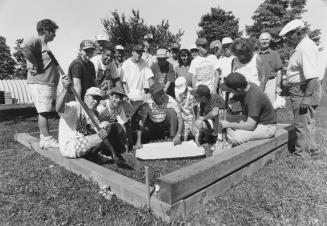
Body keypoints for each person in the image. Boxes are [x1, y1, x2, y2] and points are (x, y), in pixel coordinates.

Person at [279, 19, 322, 157]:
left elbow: (312, 76)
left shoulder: (305, 48)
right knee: (307, 121)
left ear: (298, 32)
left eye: (289, 35)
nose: (287, 39)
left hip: (303, 89)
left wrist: (306, 97)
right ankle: (312, 148)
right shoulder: (302, 46)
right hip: (302, 87)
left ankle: (301, 153)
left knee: (301, 123)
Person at [56, 76, 116, 160]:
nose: (95, 101)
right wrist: (65, 89)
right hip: (70, 146)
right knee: (101, 137)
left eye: (98, 99)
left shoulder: (93, 115)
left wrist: (104, 132)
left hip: (82, 143)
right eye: (93, 98)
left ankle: (93, 154)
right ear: (85, 97)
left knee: (106, 125)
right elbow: (59, 109)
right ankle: (95, 155)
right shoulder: (75, 106)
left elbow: (99, 130)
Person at [22, 19, 60, 148]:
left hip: (47, 83)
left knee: (45, 111)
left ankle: (44, 138)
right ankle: (48, 138)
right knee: (43, 112)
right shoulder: (37, 39)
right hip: (40, 82)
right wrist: (35, 63)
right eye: (53, 31)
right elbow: (24, 48)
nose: (55, 35)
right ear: (45, 30)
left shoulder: (43, 44)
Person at [220, 72, 277, 146]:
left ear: (238, 89)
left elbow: (250, 125)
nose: (230, 92)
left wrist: (229, 124)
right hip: (254, 121)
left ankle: (239, 152)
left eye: (231, 90)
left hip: (266, 127)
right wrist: (231, 101)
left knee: (236, 137)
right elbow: (234, 97)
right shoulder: (247, 87)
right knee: (228, 123)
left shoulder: (254, 97)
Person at [135, 84, 183, 148]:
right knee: (142, 115)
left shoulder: (170, 99)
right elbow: (141, 122)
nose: (163, 95)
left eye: (163, 92)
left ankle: (173, 136)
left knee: (172, 112)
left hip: (164, 123)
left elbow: (180, 118)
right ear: (153, 96)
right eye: (160, 94)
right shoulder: (146, 102)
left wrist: (178, 135)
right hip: (151, 124)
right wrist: (138, 141)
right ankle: (146, 136)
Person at [97, 86, 130, 152]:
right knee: (106, 124)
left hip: (107, 130)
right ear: (110, 96)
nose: (118, 100)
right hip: (96, 130)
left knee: (116, 127)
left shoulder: (119, 107)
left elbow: (122, 124)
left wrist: (125, 141)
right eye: (116, 97)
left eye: (120, 98)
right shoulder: (103, 105)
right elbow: (94, 121)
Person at [258, 32, 283, 105]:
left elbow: (279, 71)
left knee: (271, 106)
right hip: (258, 82)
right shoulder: (255, 54)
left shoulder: (275, 54)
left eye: (266, 39)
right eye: (262, 39)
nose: (264, 41)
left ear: (270, 40)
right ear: (259, 41)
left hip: (271, 83)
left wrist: (278, 86)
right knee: (258, 106)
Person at [174, 77, 195, 141]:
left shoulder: (192, 93)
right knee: (184, 132)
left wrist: (193, 119)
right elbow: (177, 102)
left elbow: (194, 108)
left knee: (194, 130)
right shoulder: (176, 90)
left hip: (191, 114)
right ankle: (185, 142)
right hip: (182, 114)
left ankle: (198, 141)